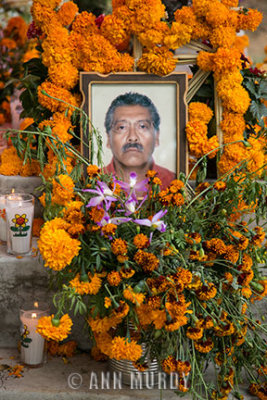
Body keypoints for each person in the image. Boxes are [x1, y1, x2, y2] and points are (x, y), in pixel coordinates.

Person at [103, 92, 176, 188]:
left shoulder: (174, 183)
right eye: (122, 127)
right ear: (109, 138)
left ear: (157, 136)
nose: (132, 137)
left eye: (142, 126)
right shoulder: (92, 181)